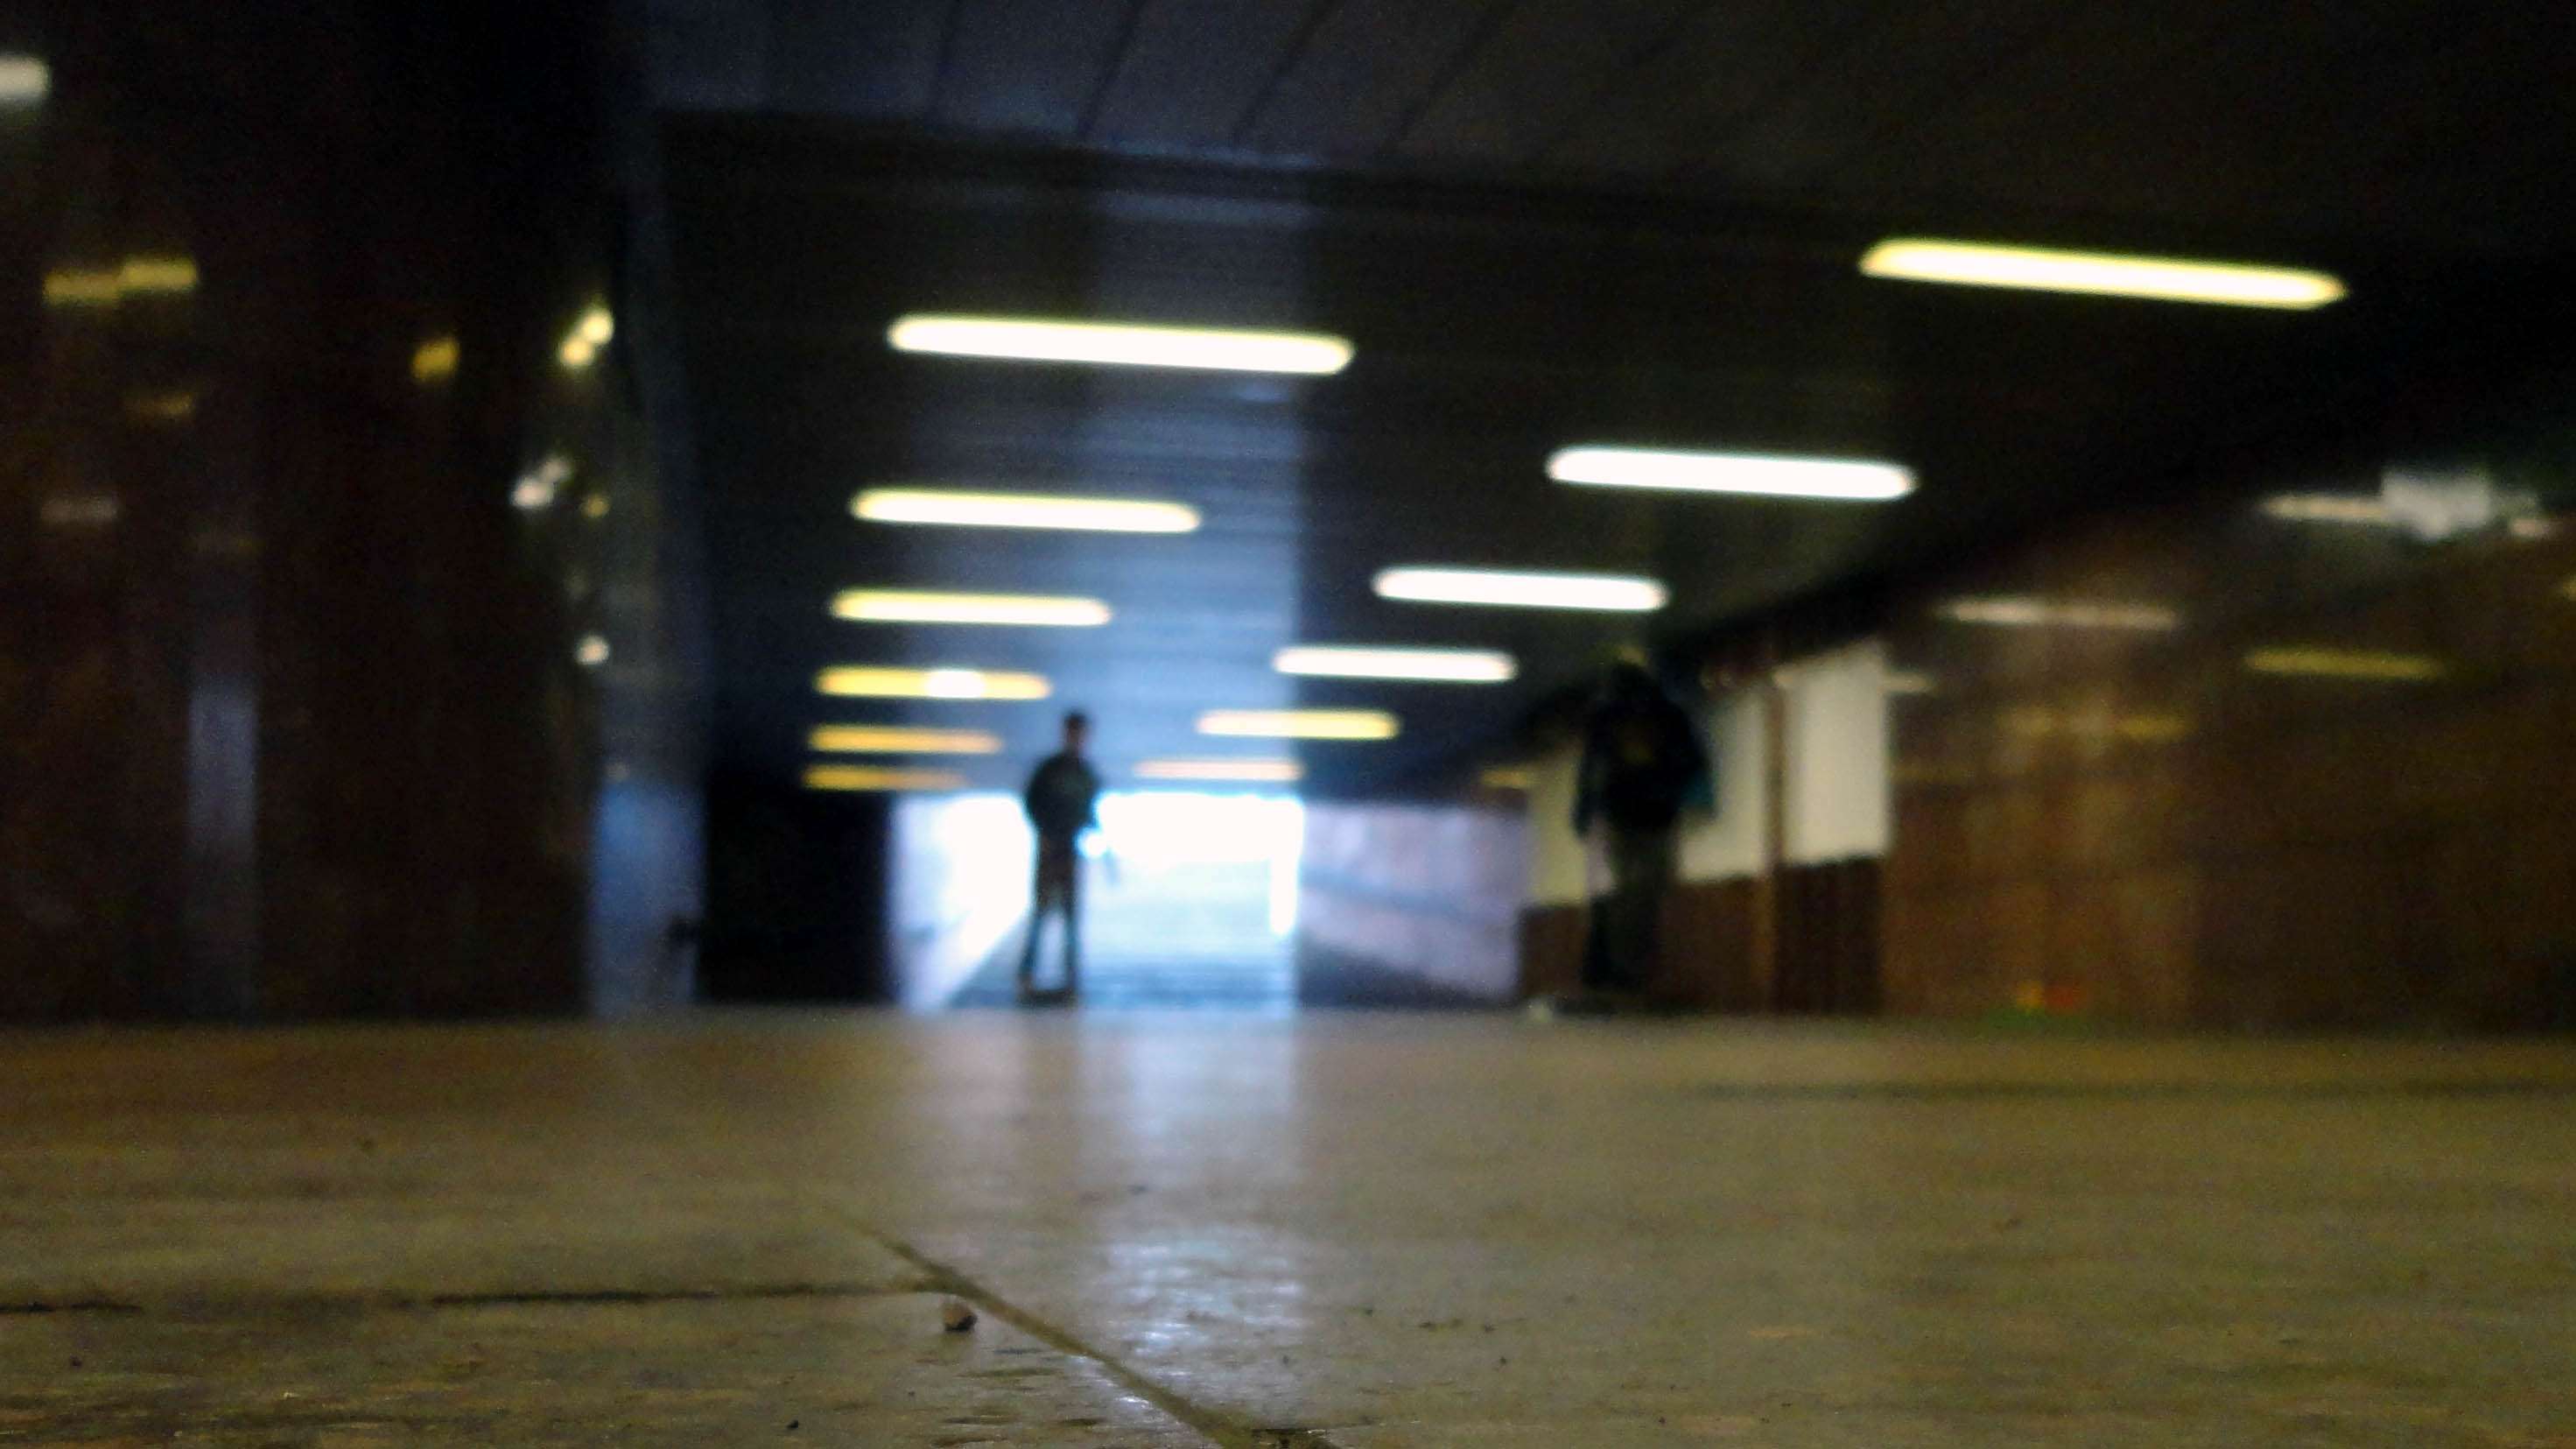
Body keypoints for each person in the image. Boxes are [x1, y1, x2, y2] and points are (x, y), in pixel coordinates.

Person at [1572, 652, 1710, 1002]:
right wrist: (1585, 807)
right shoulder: (1635, 716)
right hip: (1638, 815)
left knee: (1641, 889)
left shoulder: (1652, 717)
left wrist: (1585, 808)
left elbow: (1691, 759)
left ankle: (1629, 967)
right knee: (1638, 888)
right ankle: (1626, 968)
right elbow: (1591, 767)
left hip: (1644, 813)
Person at [1019, 710, 1101, 1002]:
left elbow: (1089, 811)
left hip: (1069, 851)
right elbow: (1031, 803)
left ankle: (1070, 980)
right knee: (1042, 913)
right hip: (1049, 848)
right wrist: (1045, 834)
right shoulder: (1050, 771)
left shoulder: (1086, 773)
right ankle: (1026, 977)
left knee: (1070, 917)